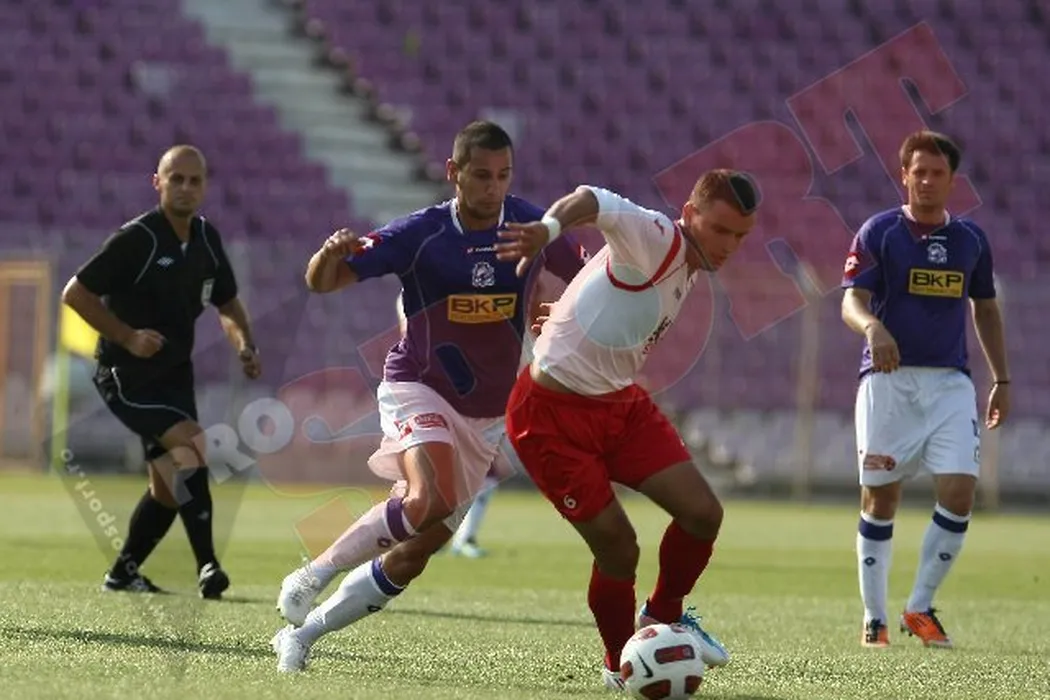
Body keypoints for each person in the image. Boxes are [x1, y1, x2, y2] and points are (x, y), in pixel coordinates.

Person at [271, 120, 583, 672]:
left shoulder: (533, 226)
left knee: (416, 552)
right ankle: (313, 573)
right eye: (481, 175)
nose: (494, 187)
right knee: (428, 498)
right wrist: (326, 255)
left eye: (504, 175)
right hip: (419, 386)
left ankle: (303, 636)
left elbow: (583, 284)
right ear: (453, 172)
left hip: (487, 414)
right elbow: (323, 281)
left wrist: (561, 313)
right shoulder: (421, 233)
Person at [495, 169, 759, 690]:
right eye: (720, 229)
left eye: (740, 236)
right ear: (690, 214)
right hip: (550, 417)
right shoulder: (658, 236)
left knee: (703, 513)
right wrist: (548, 229)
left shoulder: (689, 263)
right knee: (619, 548)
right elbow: (591, 199)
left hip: (618, 405)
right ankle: (621, 665)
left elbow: (610, 293)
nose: (728, 245)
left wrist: (565, 315)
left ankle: (663, 615)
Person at [61, 145, 261, 599]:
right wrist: (127, 336)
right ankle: (208, 565)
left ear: (205, 186)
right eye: (177, 179)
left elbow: (227, 303)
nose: (186, 187)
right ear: (158, 183)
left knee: (168, 490)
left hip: (174, 376)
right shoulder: (137, 239)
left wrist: (244, 345)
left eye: (195, 180)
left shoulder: (206, 239)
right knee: (193, 443)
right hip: (125, 373)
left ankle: (122, 574)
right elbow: (76, 293)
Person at [841, 130, 1009, 649]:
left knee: (960, 492)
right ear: (904, 175)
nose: (928, 181)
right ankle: (874, 618)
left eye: (938, 173)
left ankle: (918, 607)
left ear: (952, 180)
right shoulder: (879, 232)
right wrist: (873, 328)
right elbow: (851, 301)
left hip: (950, 384)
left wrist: (1001, 378)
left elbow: (985, 309)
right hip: (888, 382)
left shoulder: (971, 240)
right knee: (881, 497)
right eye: (920, 172)